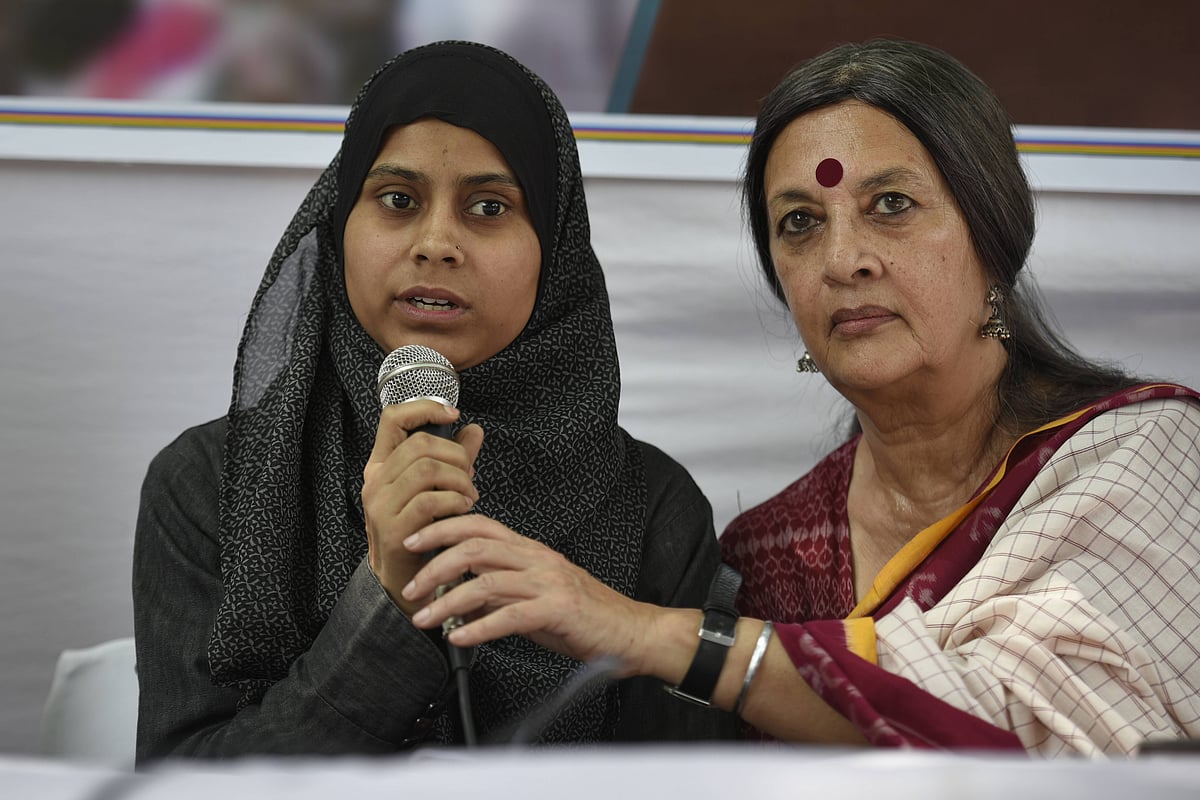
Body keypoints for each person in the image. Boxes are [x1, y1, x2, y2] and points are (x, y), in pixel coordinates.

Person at [402, 39, 1200, 757]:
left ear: (995, 234)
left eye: (892, 206)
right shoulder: (766, 557)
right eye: (799, 223)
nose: (843, 258)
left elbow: (1034, 724)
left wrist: (648, 631)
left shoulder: (1145, 459)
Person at [132, 40, 737, 761]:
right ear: (338, 228)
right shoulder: (212, 483)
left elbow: (682, 781)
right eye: (397, 200)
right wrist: (386, 596)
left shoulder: (656, 508)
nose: (437, 243)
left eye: (489, 206)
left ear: (556, 249)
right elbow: (181, 783)